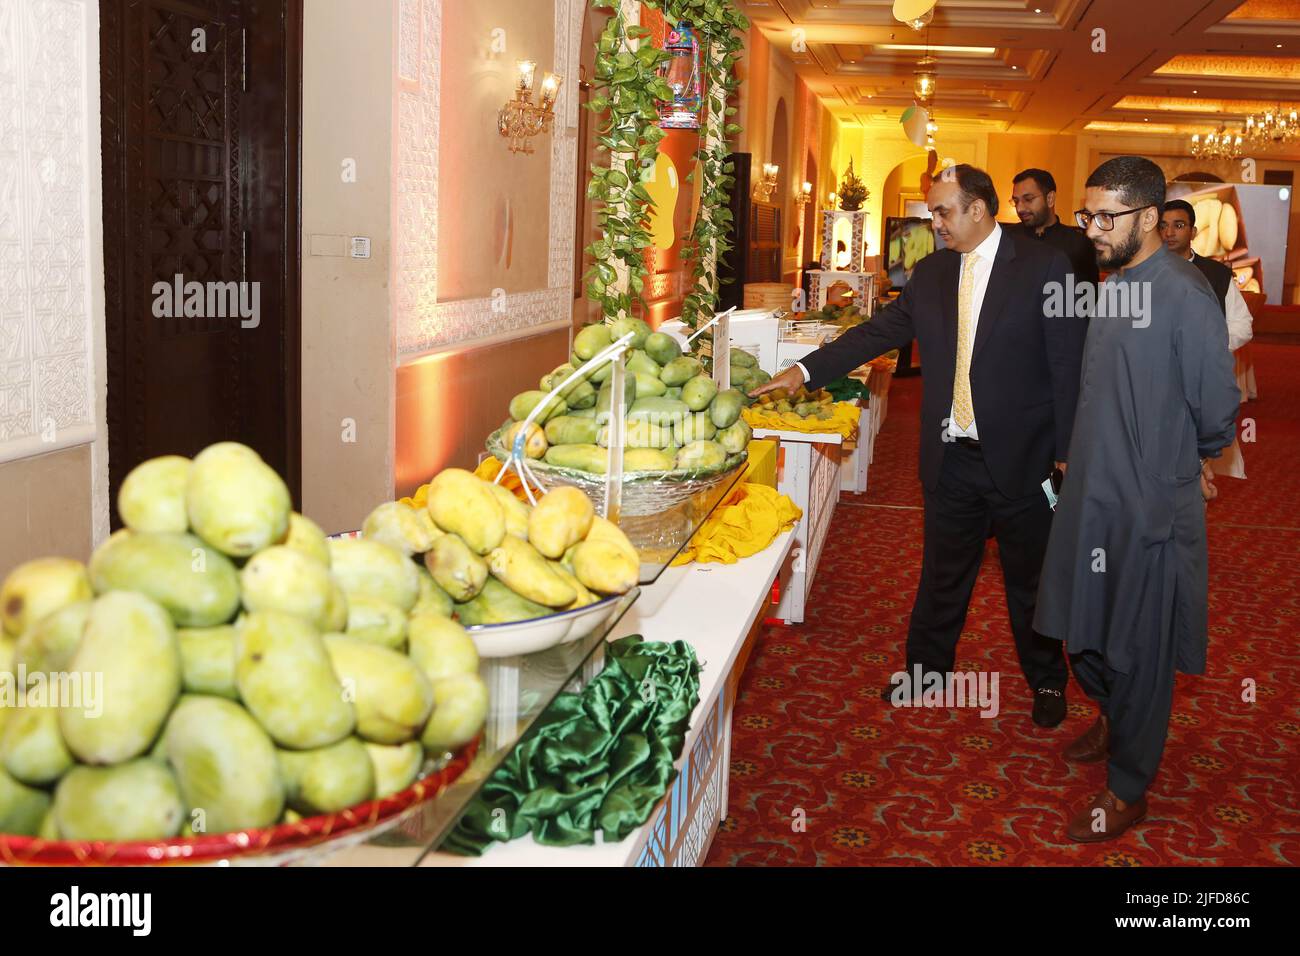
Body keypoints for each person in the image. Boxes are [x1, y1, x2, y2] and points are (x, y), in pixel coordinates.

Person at [750, 164, 1088, 728]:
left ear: (978, 209)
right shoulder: (930, 274)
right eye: (933, 212)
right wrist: (803, 372)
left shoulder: (1045, 266)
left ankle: (1048, 681)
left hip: (1024, 459)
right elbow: (876, 334)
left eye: (943, 212)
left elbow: (1067, 361)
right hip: (952, 457)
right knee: (941, 576)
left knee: (1031, 583)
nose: (934, 224)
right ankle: (927, 674)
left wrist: (1067, 450)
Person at [1034, 156, 1239, 842]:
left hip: (1149, 505)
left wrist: (1192, 458)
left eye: (1104, 217)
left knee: (1138, 649)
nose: (1090, 228)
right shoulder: (1117, 285)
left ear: (1149, 218)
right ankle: (1115, 715)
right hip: (1092, 495)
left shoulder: (1184, 295)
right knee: (1078, 629)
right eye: (1087, 214)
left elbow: (1215, 407)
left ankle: (1128, 788)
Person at [1159, 198, 1253, 482]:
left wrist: (1208, 350)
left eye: (1178, 225)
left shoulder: (1216, 274)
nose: (1170, 233)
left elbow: (1243, 325)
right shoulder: (1140, 273)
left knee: (1194, 451)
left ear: (1194, 232)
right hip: (1153, 376)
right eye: (1163, 226)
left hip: (1200, 377)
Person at [1009, 168, 1100, 288]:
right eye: (1016, 201)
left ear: (1050, 199)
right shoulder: (1007, 238)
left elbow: (1088, 298)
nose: (1019, 208)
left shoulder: (1079, 244)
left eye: (1028, 199)